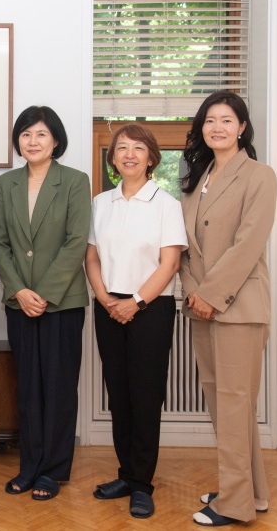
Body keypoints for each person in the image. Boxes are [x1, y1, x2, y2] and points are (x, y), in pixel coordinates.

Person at [179, 91, 276, 527]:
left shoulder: (260, 175)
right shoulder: (198, 178)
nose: (217, 127)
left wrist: (212, 294)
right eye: (210, 120)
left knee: (236, 404)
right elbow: (184, 249)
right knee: (225, 405)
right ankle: (250, 491)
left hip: (238, 307)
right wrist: (192, 291)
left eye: (227, 120)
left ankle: (234, 507)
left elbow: (248, 244)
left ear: (242, 128)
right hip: (200, 305)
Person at [85, 124, 187, 518]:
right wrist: (106, 297)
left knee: (145, 397)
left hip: (151, 310)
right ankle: (126, 474)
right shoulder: (101, 203)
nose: (129, 154)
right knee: (120, 395)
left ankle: (143, 484)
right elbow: (91, 257)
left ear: (151, 157)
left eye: (138, 148)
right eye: (121, 148)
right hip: (108, 306)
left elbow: (170, 262)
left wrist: (136, 302)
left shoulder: (166, 203)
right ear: (112, 159)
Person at [0, 105, 90, 501]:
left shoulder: (75, 182)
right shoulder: (6, 183)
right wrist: (17, 290)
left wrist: (44, 293)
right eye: (26, 134)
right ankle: (29, 466)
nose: (33, 141)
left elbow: (76, 242)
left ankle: (53, 470)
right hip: (19, 303)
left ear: (56, 141)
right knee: (28, 388)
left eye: (41, 134)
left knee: (59, 387)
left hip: (62, 304)